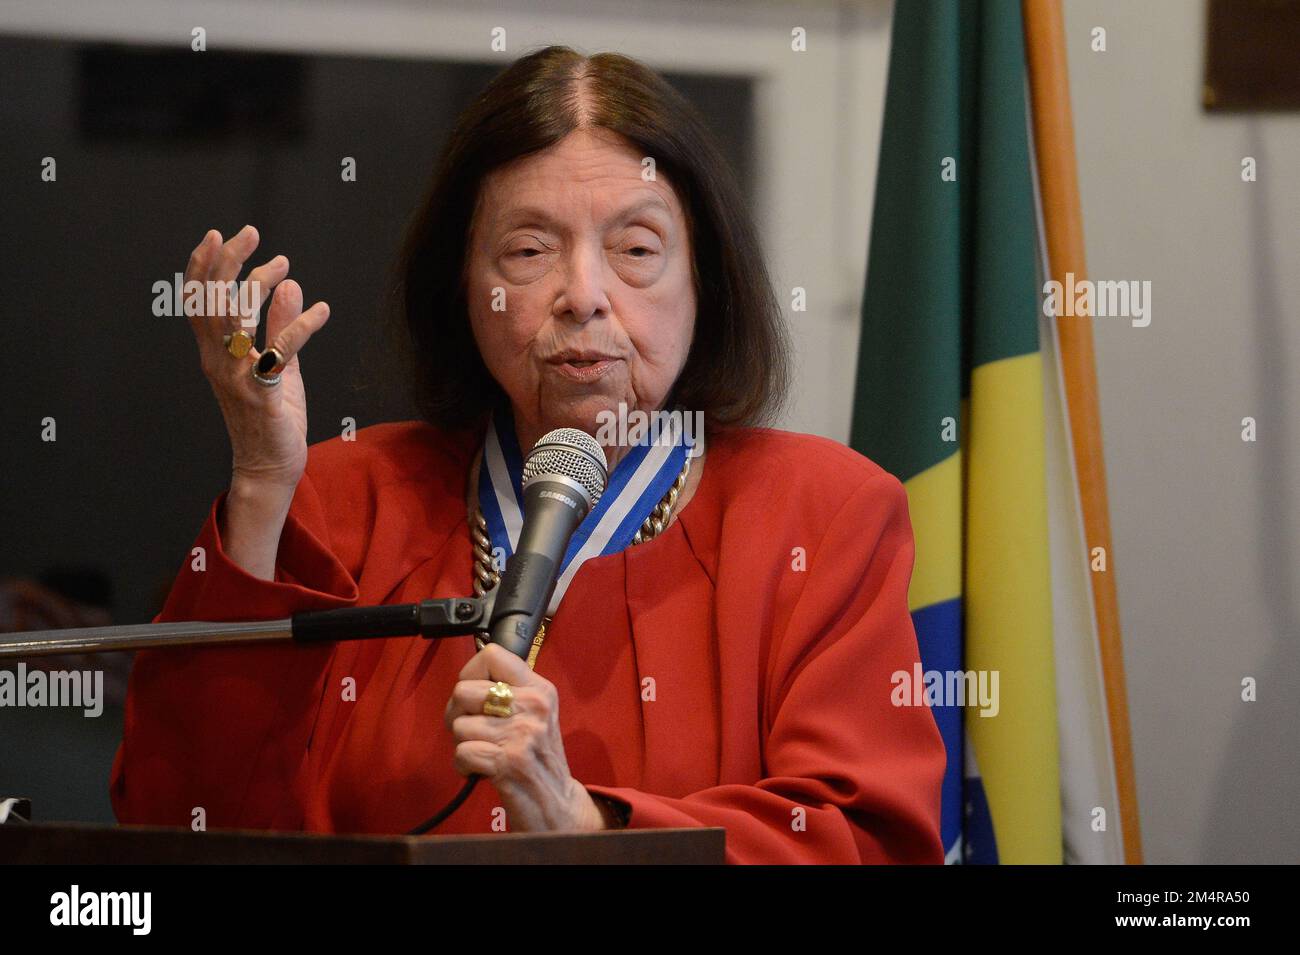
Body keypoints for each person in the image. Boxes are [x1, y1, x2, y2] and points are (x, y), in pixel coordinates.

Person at [110, 45, 944, 864]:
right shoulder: (343, 495)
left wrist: (589, 828)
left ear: (707, 283)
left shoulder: (822, 512)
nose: (583, 294)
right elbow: (174, 823)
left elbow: (863, 840)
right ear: (465, 288)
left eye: (638, 249)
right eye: (529, 251)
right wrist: (260, 478)